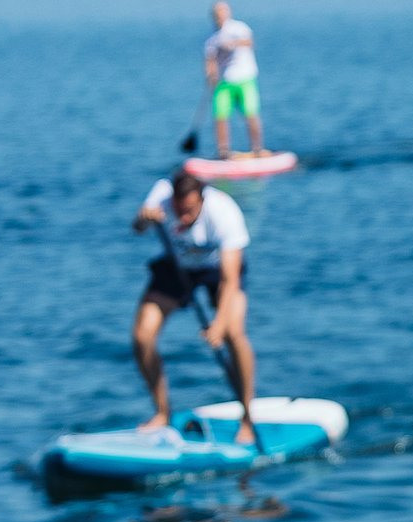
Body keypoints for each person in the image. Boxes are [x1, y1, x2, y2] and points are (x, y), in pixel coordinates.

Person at [131, 168, 258, 446]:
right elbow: (137, 228)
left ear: (202, 199)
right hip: (177, 267)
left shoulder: (224, 213)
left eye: (189, 212)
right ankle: (162, 413)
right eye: (178, 211)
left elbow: (230, 280)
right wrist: (144, 218)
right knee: (142, 337)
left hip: (218, 271)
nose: (183, 218)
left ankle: (247, 418)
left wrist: (219, 324)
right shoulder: (161, 196)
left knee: (233, 334)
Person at [202, 3, 267, 159]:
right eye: (217, 14)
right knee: (220, 116)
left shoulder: (239, 28)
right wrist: (210, 76)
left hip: (245, 79)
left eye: (223, 12)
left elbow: (249, 42)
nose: (220, 16)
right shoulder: (211, 39)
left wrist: (232, 44)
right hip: (224, 83)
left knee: (251, 114)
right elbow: (209, 61)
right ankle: (223, 152)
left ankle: (257, 149)